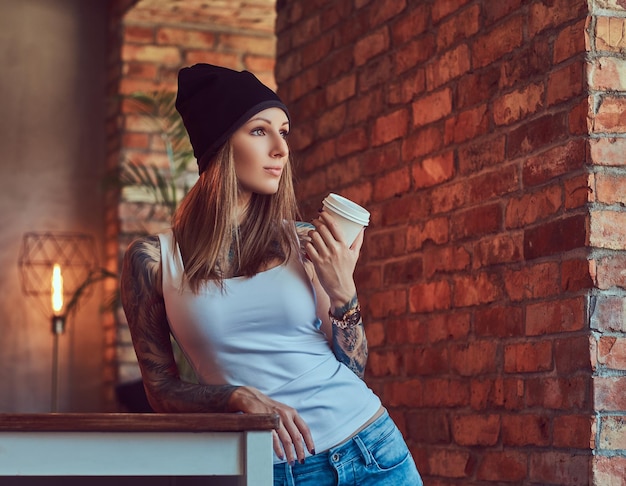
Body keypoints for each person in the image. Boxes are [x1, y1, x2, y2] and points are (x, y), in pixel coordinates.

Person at [120, 63, 422, 486]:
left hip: (371, 450)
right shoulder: (152, 260)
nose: (281, 148)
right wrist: (236, 397)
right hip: (270, 470)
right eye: (260, 131)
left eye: (285, 131)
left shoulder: (303, 241)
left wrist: (343, 293)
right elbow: (160, 390)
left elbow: (352, 370)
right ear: (220, 145)